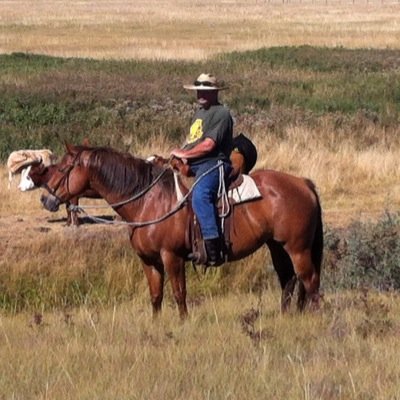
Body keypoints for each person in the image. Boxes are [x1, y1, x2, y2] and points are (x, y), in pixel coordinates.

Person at [170, 73, 233, 266]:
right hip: (196, 162)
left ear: (215, 93)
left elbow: (208, 146)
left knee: (201, 195)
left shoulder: (221, 114)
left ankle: (213, 248)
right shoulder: (199, 113)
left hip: (214, 163)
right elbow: (192, 141)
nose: (201, 94)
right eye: (199, 90)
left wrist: (184, 155)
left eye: (206, 91)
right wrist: (177, 158)